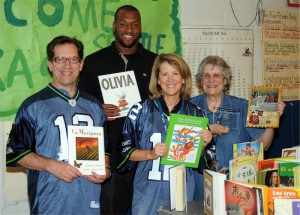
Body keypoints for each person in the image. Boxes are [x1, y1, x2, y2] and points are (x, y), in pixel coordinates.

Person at [6, 35, 111, 214]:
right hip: (50, 202)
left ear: (81, 64)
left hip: (89, 200)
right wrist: (51, 165)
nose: (67, 65)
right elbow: (15, 154)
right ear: (50, 64)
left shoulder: (95, 106)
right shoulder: (33, 105)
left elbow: (105, 150)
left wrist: (106, 169)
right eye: (60, 59)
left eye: (73, 59)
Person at [77, 4, 157, 214]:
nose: (128, 29)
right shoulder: (94, 62)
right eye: (123, 24)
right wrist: (98, 109)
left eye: (134, 24)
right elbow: (79, 106)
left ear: (140, 28)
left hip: (146, 155)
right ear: (114, 26)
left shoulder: (155, 62)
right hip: (109, 157)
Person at [118, 53, 214, 215]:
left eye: (175, 73)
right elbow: (125, 152)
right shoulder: (140, 110)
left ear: (184, 79)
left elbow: (204, 162)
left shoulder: (196, 114)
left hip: (182, 192)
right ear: (157, 79)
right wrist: (150, 153)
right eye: (164, 74)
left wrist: (203, 147)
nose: (170, 79)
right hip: (146, 191)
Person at [190, 55, 286, 200]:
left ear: (225, 80)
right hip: (199, 186)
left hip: (235, 186)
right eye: (206, 75)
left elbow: (264, 145)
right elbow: (184, 145)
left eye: (217, 75)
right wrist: (209, 129)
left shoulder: (242, 106)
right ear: (200, 80)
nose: (211, 80)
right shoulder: (189, 107)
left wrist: (271, 122)